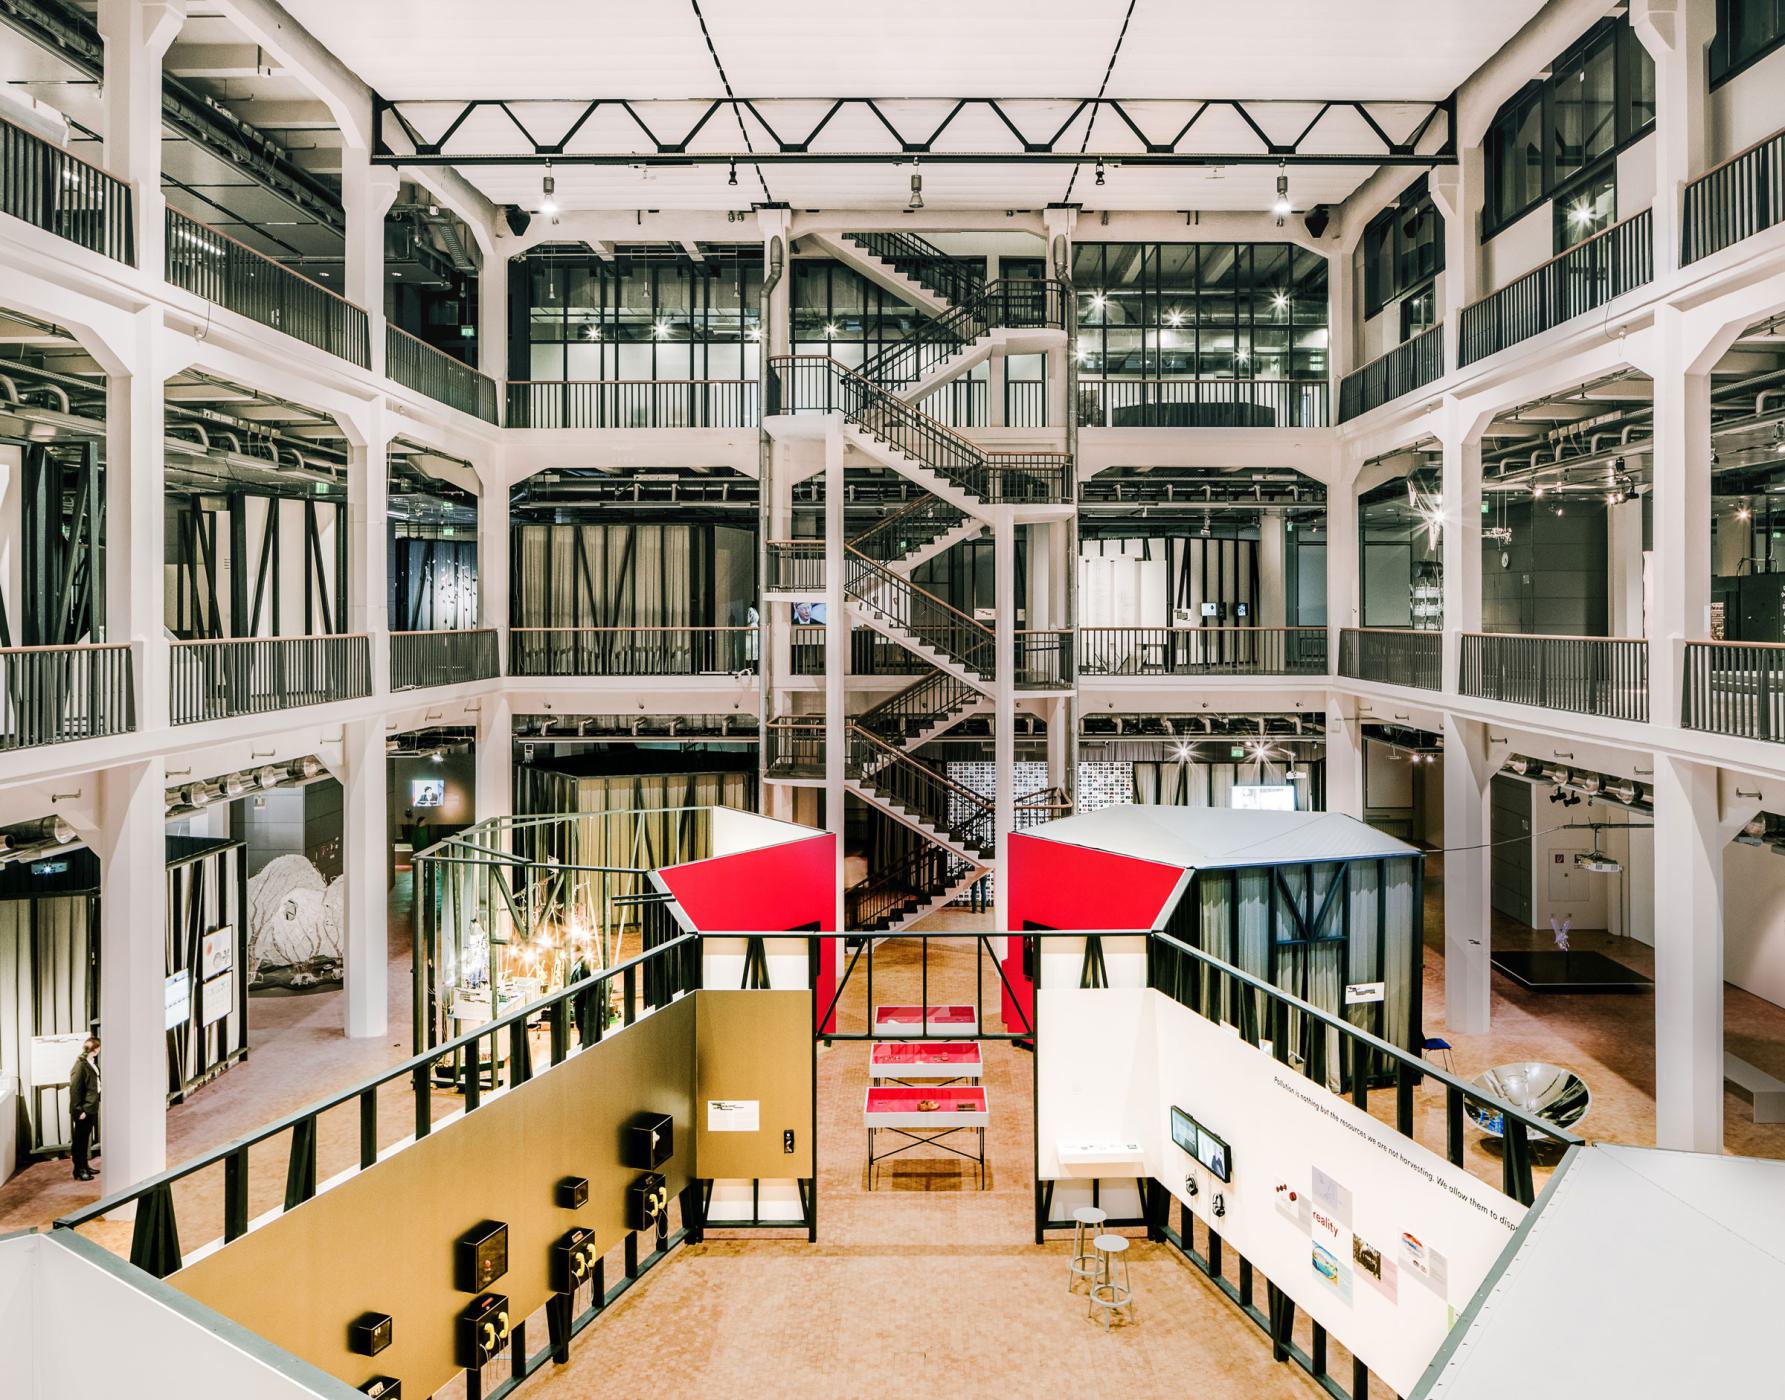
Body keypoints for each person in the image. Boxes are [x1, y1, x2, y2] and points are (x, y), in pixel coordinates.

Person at [69, 1035, 100, 1181]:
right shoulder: (80, 1066)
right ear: (95, 1049)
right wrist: (79, 1110)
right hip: (84, 1110)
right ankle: (79, 1169)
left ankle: (84, 1166)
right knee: (79, 1141)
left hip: (91, 1107)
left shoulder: (90, 1062)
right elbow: (75, 1090)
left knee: (84, 1140)